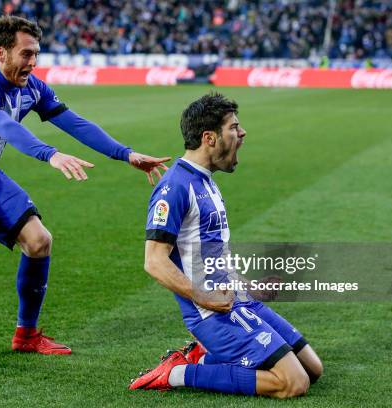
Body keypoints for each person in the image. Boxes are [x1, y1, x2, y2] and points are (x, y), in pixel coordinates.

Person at [0, 15, 169, 362]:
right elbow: (3, 125)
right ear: (1, 52)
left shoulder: (32, 88)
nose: (33, 62)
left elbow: (75, 123)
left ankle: (27, 334)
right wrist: (49, 154)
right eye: (26, 54)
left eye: (36, 54)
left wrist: (125, 154)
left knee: (40, 241)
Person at [129, 93, 323, 398]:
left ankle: (203, 357)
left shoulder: (207, 182)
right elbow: (154, 261)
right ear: (209, 138)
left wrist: (251, 289)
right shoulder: (175, 187)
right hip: (210, 314)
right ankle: (178, 373)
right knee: (293, 383)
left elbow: (217, 260)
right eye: (234, 127)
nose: (242, 132)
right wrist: (201, 295)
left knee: (313, 368)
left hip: (237, 300)